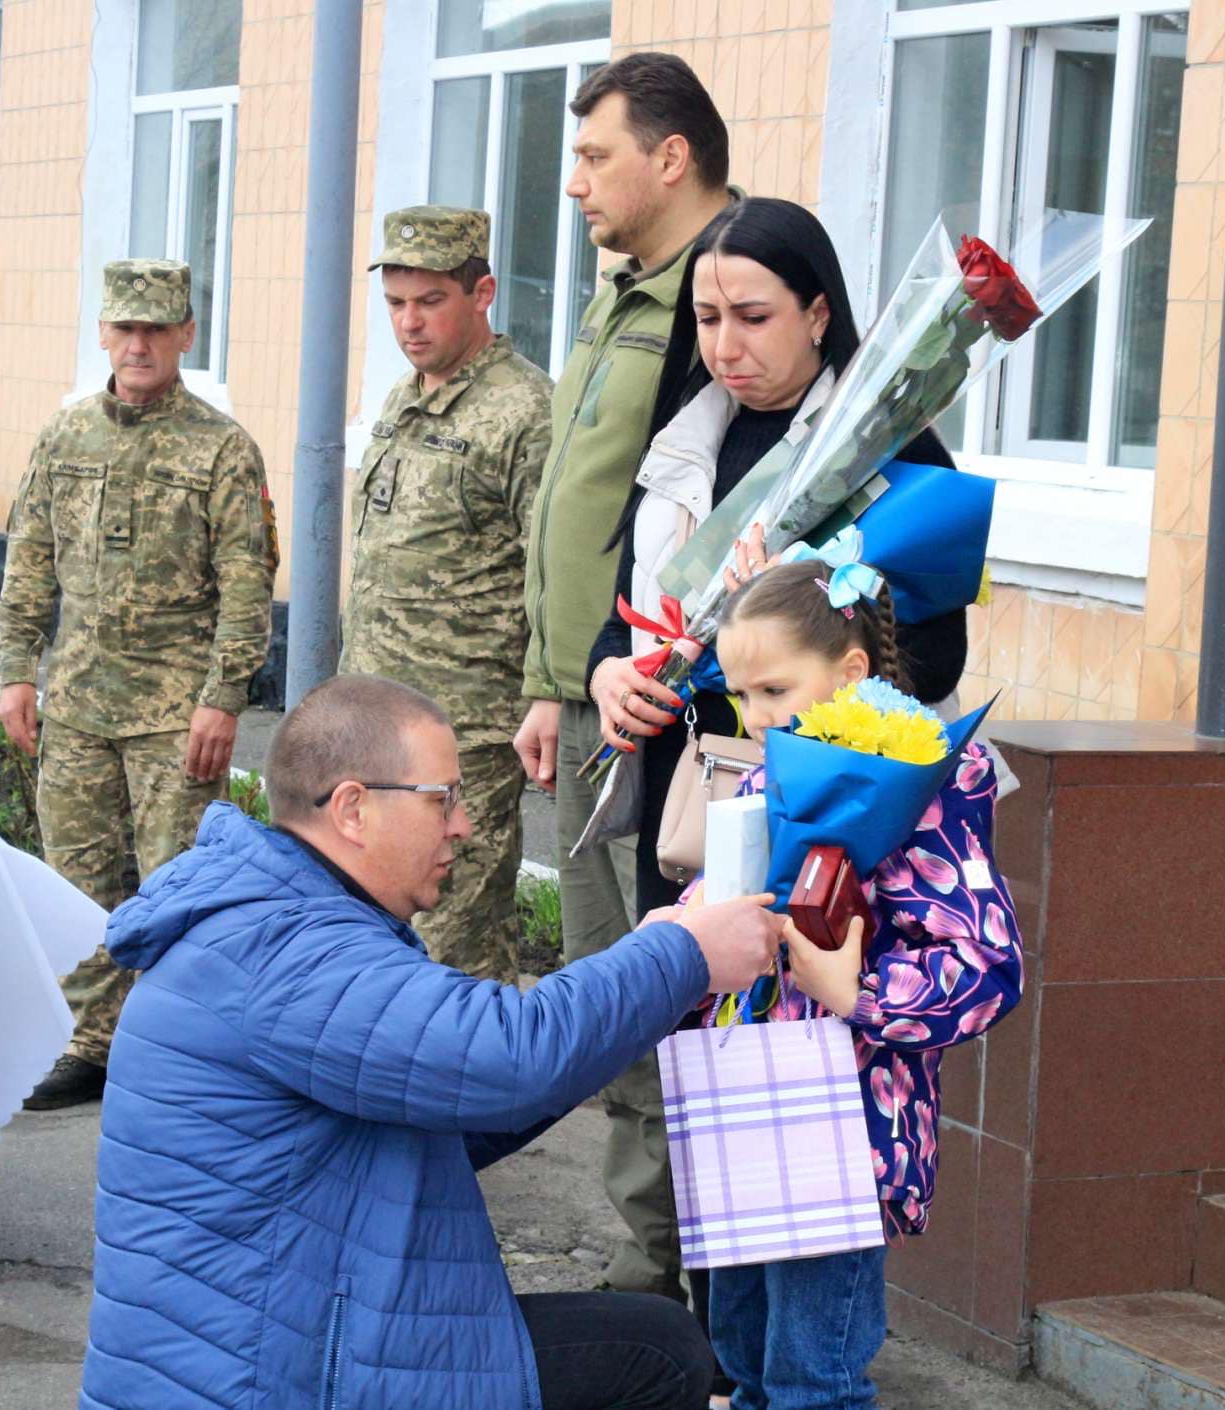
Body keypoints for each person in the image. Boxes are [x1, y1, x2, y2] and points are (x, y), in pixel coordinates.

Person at [78, 673, 786, 1410]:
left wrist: (649, 977)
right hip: (276, 1376)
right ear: (352, 808)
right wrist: (681, 958)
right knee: (661, 1355)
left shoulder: (282, 917)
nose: (464, 824)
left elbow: (464, 1099)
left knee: (652, 1339)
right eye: (442, 798)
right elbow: (512, 1056)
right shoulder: (288, 954)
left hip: (284, 1344)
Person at [587, 197, 971, 923]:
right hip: (687, 809)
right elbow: (621, 620)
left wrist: (794, 617)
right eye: (707, 319)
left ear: (818, 315)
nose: (725, 347)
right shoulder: (680, 440)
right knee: (684, 1020)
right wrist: (609, 676)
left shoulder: (894, 455)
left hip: (825, 814)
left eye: (753, 318)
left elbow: (935, 660)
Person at [515, 48, 735, 1308]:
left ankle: (672, 1283)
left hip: (670, 721)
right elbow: (586, 517)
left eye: (595, 156)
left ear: (671, 156)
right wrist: (553, 680)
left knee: (655, 994)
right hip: (594, 697)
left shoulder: (715, 306)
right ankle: (652, 1263)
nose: (575, 184)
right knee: (605, 992)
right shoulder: (627, 294)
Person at [702, 558, 1025, 1410]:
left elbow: (986, 963)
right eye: (742, 697)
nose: (757, 717)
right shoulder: (777, 771)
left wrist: (860, 993)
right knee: (742, 1355)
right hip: (747, 1103)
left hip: (844, 1123)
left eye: (774, 690)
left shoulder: (927, 788)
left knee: (814, 1374)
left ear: (851, 673)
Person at [0, 258, 278, 1111]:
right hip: (77, 702)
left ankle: (182, 1049)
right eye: (125, 327)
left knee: (178, 887)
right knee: (80, 883)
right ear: (105, 335)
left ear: (186, 334)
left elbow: (246, 582)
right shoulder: (66, 435)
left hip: (173, 714)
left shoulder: (221, 447)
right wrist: (15, 669)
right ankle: (93, 1043)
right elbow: (30, 555)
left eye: (157, 327)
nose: (139, 343)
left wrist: (224, 696)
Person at [340, 205, 552, 983]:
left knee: (454, 941)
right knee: (381, 930)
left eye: (430, 301)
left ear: (483, 291)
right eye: (396, 303)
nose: (409, 322)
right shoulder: (406, 397)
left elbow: (551, 572)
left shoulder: (525, 411)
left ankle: (470, 1102)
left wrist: (545, 697)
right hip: (379, 719)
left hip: (465, 733)